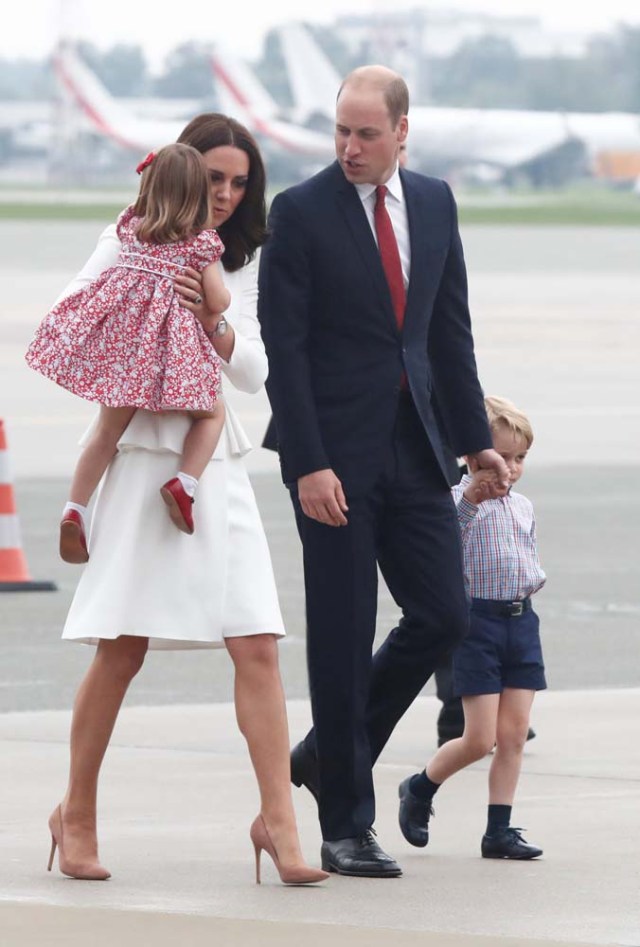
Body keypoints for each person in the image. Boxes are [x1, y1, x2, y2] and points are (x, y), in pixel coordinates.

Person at [44, 113, 328, 887]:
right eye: (215, 180)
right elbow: (77, 315)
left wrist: (215, 322)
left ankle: (279, 821)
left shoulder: (238, 257)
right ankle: (76, 812)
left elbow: (254, 372)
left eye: (241, 182)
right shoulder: (128, 234)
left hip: (215, 464)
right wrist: (143, 323)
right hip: (141, 457)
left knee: (258, 643)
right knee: (122, 648)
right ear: (178, 173)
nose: (229, 194)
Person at [257, 65, 509, 878]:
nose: (350, 146)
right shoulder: (298, 213)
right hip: (332, 457)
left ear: (404, 130)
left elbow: (449, 332)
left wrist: (476, 441)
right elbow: (285, 353)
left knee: (444, 615)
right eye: (341, 131)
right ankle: (344, 822)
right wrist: (308, 463)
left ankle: (328, 749)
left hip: (418, 447)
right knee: (340, 633)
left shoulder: (434, 202)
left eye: (367, 132)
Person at [26, 144, 231, 556]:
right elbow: (220, 300)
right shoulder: (200, 243)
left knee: (105, 433)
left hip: (123, 353)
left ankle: (74, 509)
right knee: (212, 412)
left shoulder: (130, 226)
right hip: (168, 358)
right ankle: (184, 484)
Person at [398, 396, 546, 860]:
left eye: (520, 458)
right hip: (478, 623)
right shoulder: (457, 499)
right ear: (473, 456)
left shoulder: (522, 506)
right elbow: (446, 545)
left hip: (521, 622)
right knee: (479, 737)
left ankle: (498, 830)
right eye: (503, 457)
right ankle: (420, 788)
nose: (513, 467)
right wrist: (469, 501)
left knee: (515, 733)